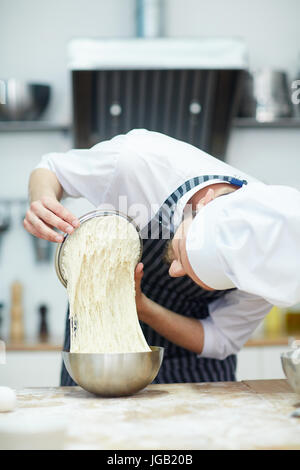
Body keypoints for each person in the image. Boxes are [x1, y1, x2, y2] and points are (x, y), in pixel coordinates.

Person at [24, 129, 300, 384]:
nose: (176, 271)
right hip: (96, 355)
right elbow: (50, 169)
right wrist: (41, 200)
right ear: (204, 205)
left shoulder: (270, 259)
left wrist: (142, 306)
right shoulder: (139, 162)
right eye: (182, 252)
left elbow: (221, 338)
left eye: (195, 278)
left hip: (193, 370)